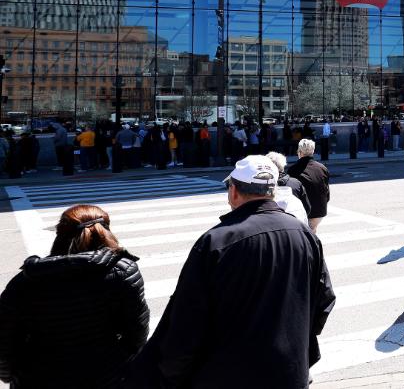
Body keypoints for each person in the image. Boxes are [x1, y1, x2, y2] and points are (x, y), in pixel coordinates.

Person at [131, 155, 335, 388]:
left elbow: (186, 323)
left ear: (234, 192)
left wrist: (167, 375)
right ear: (272, 193)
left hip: (228, 375)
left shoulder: (216, 241)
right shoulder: (304, 234)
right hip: (289, 372)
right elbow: (324, 300)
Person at [0, 205, 148, 388]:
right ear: (106, 232)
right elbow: (137, 331)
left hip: (38, 378)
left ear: (60, 234)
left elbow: (5, 340)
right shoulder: (123, 271)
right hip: (107, 376)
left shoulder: (26, 280)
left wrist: (11, 375)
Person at [286, 139, 330, 234]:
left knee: (306, 233)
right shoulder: (322, 168)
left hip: (304, 210)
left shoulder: (293, 170)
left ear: (300, 152)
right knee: (312, 231)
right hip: (320, 210)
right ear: (313, 151)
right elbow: (327, 192)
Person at [266, 151, 311, 225]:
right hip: (295, 223)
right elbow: (307, 208)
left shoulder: (263, 185)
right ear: (283, 165)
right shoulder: (296, 183)